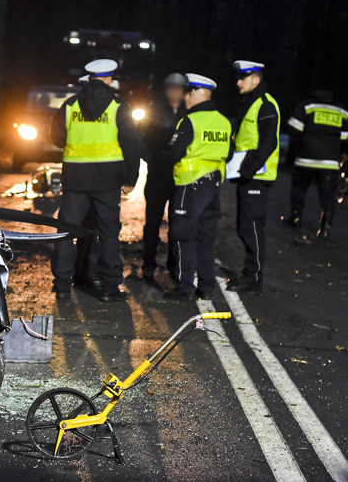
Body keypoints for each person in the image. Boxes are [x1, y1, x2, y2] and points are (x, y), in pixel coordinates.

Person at [50, 59, 143, 301]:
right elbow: (132, 146)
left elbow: (56, 139)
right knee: (109, 233)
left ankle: (61, 286)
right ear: (109, 79)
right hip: (107, 181)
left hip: (75, 180)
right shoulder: (119, 106)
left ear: (89, 78)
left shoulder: (70, 105)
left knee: (66, 232)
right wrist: (130, 178)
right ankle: (109, 289)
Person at [164, 74, 232, 301]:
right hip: (213, 186)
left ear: (199, 94)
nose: (185, 97)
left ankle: (185, 287)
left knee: (184, 236)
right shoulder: (223, 121)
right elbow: (229, 153)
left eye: (189, 93)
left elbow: (175, 152)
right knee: (206, 237)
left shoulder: (190, 121)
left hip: (190, 186)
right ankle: (206, 286)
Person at [226, 60, 280, 294]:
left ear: (255, 80)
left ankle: (254, 278)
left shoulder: (265, 105)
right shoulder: (252, 103)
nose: (238, 83)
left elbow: (269, 141)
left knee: (252, 227)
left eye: (243, 78)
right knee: (245, 226)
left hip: (257, 176)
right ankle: (250, 273)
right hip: (248, 175)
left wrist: (248, 169)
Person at [141, 73, 187, 280]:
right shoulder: (154, 111)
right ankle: (148, 264)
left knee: (177, 225)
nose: (175, 91)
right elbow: (139, 138)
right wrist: (150, 157)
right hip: (157, 176)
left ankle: (174, 265)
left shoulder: (189, 113)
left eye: (179, 88)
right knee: (152, 223)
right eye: (171, 87)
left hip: (179, 177)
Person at [286, 90, 348, 239]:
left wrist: (299, 147)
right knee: (327, 195)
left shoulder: (307, 105)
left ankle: (295, 218)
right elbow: (345, 138)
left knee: (299, 189)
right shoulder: (342, 111)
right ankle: (325, 227)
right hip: (330, 162)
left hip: (305, 158)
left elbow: (294, 129)